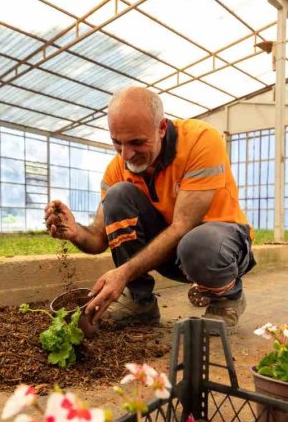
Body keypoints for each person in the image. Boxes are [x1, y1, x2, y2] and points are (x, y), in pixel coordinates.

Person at [44, 87, 255, 333]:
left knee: (196, 244)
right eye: (117, 142)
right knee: (117, 194)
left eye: (137, 142)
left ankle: (227, 298)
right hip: (173, 253)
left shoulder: (201, 141)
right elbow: (99, 238)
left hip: (222, 248)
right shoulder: (117, 168)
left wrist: (123, 273)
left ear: (162, 127)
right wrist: (76, 232)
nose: (126, 154)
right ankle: (140, 302)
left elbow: (182, 227)